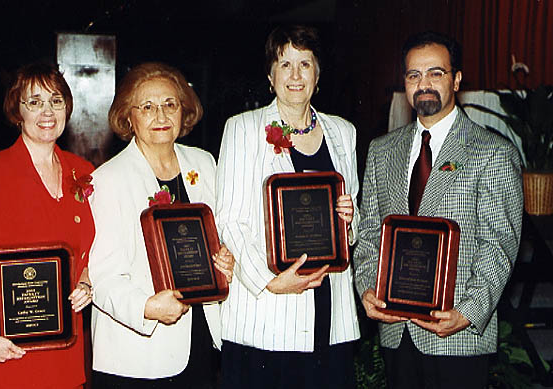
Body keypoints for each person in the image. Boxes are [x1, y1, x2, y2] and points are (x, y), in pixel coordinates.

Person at [353, 31, 523, 388]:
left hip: (456, 336)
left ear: (457, 79)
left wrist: (467, 313)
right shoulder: (382, 151)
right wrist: (367, 287)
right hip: (396, 332)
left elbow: (500, 245)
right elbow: (368, 233)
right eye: (414, 75)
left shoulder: (492, 152)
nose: (424, 84)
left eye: (436, 73)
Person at [215, 25, 361, 389]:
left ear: (318, 75)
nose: (295, 76)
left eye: (305, 64)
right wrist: (271, 283)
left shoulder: (344, 132)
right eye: (285, 64)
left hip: (331, 313)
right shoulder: (242, 129)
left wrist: (349, 219)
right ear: (270, 76)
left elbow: (353, 213)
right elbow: (229, 220)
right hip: (266, 314)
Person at [88, 62, 234, 389]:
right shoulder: (109, 180)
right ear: (128, 117)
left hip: (198, 339)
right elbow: (102, 276)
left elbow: (219, 236)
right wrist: (147, 308)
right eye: (148, 107)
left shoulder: (204, 163)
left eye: (170, 105)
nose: (161, 116)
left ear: (185, 112)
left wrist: (226, 259)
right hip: (137, 352)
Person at [0, 63, 95, 388]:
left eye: (56, 101)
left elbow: (91, 249)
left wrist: (86, 282)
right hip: (4, 345)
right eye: (35, 101)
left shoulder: (82, 171)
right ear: (17, 110)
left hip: (62, 343)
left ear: (67, 108)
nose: (47, 112)